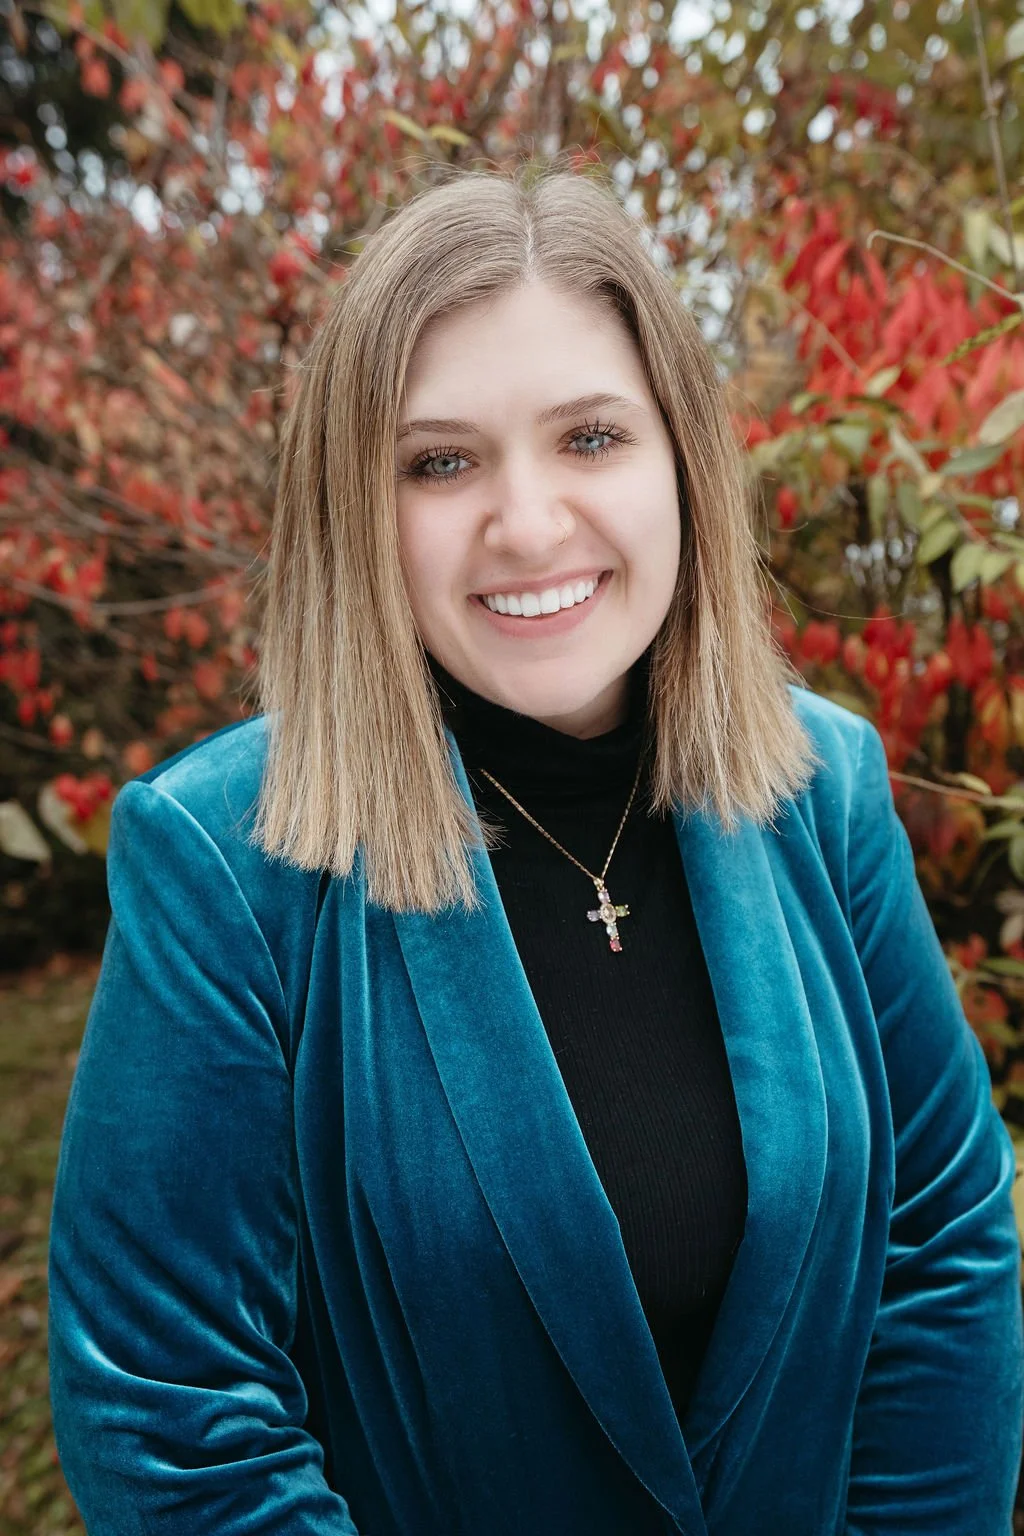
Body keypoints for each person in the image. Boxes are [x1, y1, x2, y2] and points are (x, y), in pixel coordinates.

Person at [48, 162, 1024, 1536]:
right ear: (358, 507)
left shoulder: (826, 786)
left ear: (680, 453)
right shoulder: (223, 862)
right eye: (440, 461)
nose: (527, 522)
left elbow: (940, 1248)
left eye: (590, 438)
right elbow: (171, 1415)